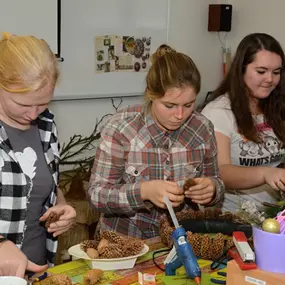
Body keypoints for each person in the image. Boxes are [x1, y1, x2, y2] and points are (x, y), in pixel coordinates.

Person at [88, 44, 224, 239]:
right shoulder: (121, 128)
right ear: (151, 95)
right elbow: (96, 195)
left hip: (182, 241)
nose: (179, 115)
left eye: (188, 105)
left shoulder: (202, 128)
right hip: (124, 243)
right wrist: (144, 191)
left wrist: (211, 190)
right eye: (169, 105)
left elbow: (216, 181)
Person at [0, 33, 76, 277]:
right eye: (22, 104)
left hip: (38, 269)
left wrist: (61, 207)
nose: (33, 114)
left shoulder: (46, 126)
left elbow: (39, 186)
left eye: (43, 102)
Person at [201, 33, 285, 212]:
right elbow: (220, 171)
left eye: (276, 72)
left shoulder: (277, 107)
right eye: (261, 71)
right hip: (233, 219)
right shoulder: (218, 112)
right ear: (241, 70)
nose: (270, 79)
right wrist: (265, 173)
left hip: (274, 216)